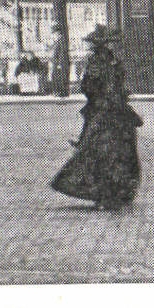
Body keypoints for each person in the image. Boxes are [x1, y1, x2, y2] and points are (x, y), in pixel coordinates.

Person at [50, 27, 143, 211]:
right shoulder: (108, 62)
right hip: (110, 112)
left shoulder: (102, 62)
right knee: (112, 153)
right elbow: (99, 87)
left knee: (103, 152)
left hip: (107, 111)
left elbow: (89, 86)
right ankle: (113, 192)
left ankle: (109, 193)